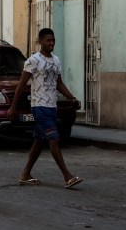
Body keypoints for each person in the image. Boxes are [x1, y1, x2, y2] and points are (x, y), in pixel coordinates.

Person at [8, 28, 83, 189]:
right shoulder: (33, 60)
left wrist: (72, 98)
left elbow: (59, 83)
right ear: (40, 41)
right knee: (53, 139)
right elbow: (22, 84)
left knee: (39, 140)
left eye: (53, 40)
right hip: (39, 106)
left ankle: (25, 174)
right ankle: (67, 176)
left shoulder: (56, 60)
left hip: (51, 107)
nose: (51, 43)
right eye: (48, 40)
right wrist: (13, 107)